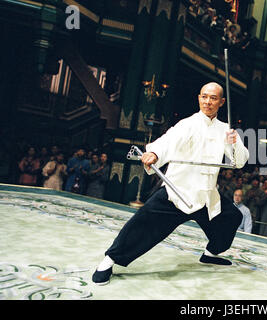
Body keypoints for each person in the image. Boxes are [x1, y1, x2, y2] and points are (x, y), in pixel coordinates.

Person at [92, 82, 249, 285]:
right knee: (142, 224)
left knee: (231, 217)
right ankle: (108, 260)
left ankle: (210, 253)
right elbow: (167, 141)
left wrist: (234, 142)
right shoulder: (187, 124)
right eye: (204, 96)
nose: (207, 101)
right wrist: (154, 153)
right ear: (199, 98)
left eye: (213, 98)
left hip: (206, 196)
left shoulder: (225, 130)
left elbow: (239, 161)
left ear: (221, 102)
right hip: (177, 192)